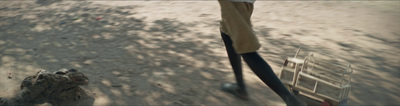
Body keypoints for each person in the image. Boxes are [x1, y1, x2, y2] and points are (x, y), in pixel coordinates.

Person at [218, 0, 306, 105]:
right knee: (227, 34)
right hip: (235, 3)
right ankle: (240, 87)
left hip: (235, 2)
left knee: (246, 48)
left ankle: (290, 100)